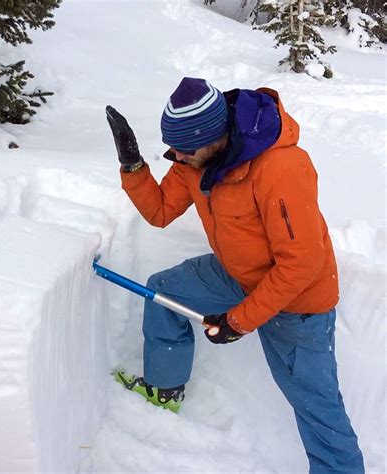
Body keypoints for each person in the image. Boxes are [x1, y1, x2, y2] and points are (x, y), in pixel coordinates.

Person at [105, 77, 364, 473]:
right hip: (237, 275)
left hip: (299, 304)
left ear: (214, 137)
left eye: (184, 149)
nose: (175, 156)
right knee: (163, 292)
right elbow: (159, 212)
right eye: (172, 148)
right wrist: (133, 166)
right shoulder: (194, 158)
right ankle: (165, 387)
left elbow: (302, 263)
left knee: (317, 407)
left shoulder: (281, 168)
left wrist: (238, 321)